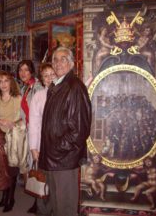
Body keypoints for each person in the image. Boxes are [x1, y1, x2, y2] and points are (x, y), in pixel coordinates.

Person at [39, 47, 92, 216]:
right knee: (56, 202)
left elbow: (79, 130)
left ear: (71, 63)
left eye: (63, 59)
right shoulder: (57, 86)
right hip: (54, 156)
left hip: (64, 158)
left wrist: (59, 147)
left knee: (66, 206)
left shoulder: (74, 87)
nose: (58, 63)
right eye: (55, 59)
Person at [0, 71, 25, 212]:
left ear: (11, 82)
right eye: (0, 81)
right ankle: (4, 196)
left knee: (12, 170)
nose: (3, 84)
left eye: (6, 81)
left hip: (13, 138)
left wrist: (13, 123)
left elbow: (24, 118)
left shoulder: (18, 98)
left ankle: (10, 198)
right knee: (3, 170)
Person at [28, 63, 56, 215]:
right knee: (42, 179)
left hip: (59, 146)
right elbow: (33, 123)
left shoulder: (64, 92)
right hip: (42, 144)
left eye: (52, 74)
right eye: (46, 75)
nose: (49, 78)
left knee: (56, 182)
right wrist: (33, 148)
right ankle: (42, 210)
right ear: (41, 79)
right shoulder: (38, 96)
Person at [16, 59, 43, 214]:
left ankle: (39, 200)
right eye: (21, 70)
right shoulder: (24, 88)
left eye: (26, 70)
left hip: (36, 131)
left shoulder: (37, 87)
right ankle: (36, 197)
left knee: (36, 165)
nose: (23, 73)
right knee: (30, 164)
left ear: (32, 71)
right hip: (27, 129)